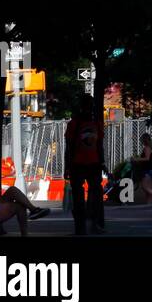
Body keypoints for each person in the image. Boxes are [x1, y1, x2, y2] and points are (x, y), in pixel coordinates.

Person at [65, 95, 106, 234]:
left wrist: (102, 162)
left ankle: (92, 225)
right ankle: (80, 227)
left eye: (90, 106)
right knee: (79, 197)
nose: (89, 109)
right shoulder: (74, 124)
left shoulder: (96, 123)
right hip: (78, 164)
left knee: (94, 195)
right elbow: (69, 147)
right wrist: (68, 166)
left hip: (93, 164)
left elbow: (100, 145)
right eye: (87, 105)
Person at [131, 133, 152, 205]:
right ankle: (149, 205)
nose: (141, 140)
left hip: (149, 170)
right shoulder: (148, 147)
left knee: (144, 187)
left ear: (145, 139)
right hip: (149, 170)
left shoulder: (147, 148)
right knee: (148, 189)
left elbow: (147, 158)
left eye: (142, 139)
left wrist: (136, 159)